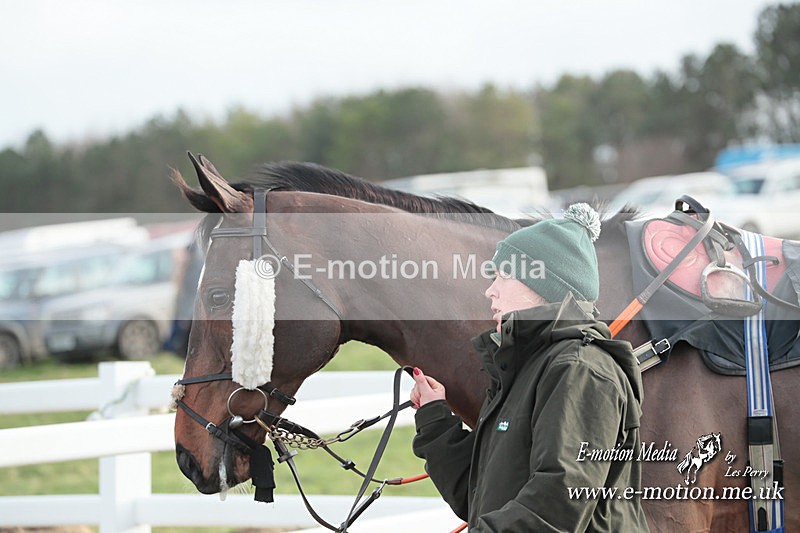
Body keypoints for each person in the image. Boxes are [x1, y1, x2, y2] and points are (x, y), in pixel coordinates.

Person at [410, 204, 649, 532]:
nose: (489, 290)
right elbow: (481, 497)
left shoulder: (580, 370)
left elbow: (558, 505)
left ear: (544, 287)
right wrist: (435, 421)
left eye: (504, 275)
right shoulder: (525, 369)